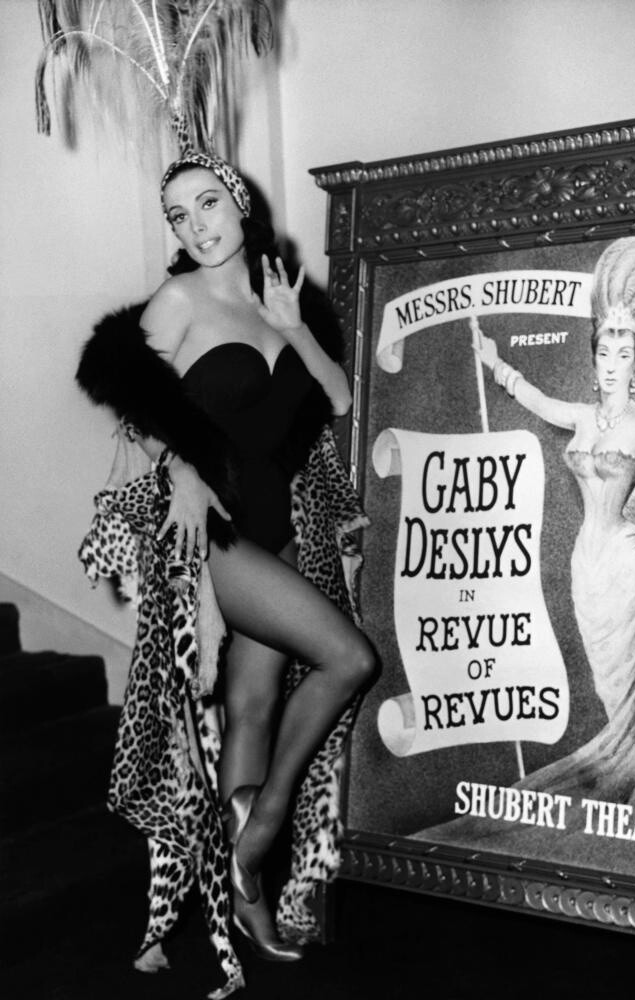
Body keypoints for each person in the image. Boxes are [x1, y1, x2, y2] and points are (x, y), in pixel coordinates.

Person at [77, 151, 376, 985]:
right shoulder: (177, 301)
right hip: (212, 534)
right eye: (179, 214)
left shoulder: (276, 297)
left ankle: (244, 901)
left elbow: (339, 400)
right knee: (350, 658)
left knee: (251, 708)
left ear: (240, 205)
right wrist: (178, 464)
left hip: (277, 531)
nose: (196, 225)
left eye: (208, 203)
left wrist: (291, 328)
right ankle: (261, 826)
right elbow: (134, 408)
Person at [419, 234, 635, 881]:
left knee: (634, 695)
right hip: (584, 567)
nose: (613, 362)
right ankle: (631, 795)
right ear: (593, 358)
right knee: (607, 688)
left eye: (624, 352)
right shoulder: (581, 415)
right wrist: (495, 363)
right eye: (604, 351)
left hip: (627, 567)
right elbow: (533, 399)